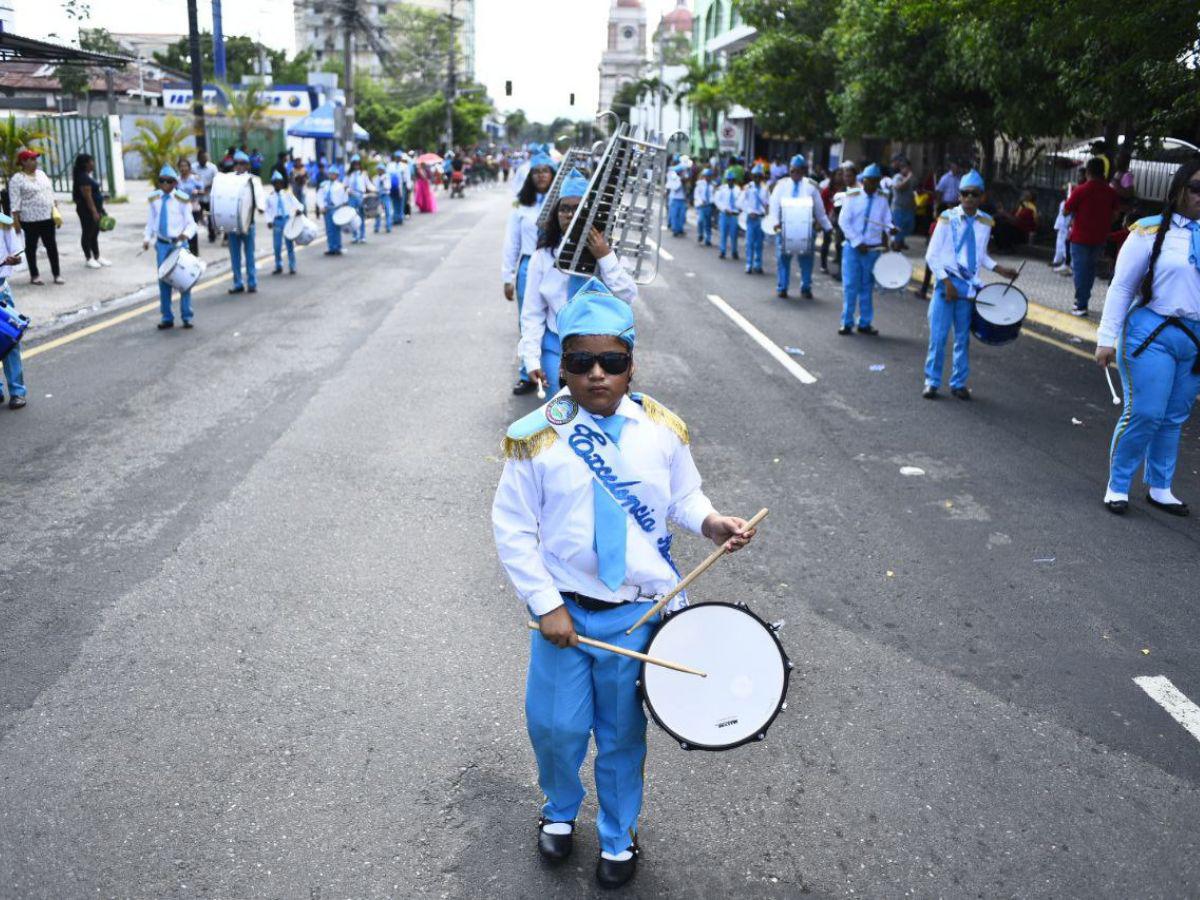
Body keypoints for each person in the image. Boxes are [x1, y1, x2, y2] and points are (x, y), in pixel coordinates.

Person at [493, 277, 757, 890]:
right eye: (580, 360)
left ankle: (618, 833)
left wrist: (712, 522)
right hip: (564, 616)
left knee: (621, 734)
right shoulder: (537, 436)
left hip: (639, 617)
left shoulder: (662, 430)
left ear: (632, 366)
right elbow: (512, 527)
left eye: (611, 361)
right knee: (555, 727)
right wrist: (544, 602)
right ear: (563, 366)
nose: (596, 375)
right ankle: (559, 811)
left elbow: (684, 496)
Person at [1095, 159, 1200, 517]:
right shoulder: (1148, 232)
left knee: (1173, 417)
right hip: (1150, 334)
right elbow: (1122, 287)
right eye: (1197, 187)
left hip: (1194, 340)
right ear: (1179, 190)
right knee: (1145, 412)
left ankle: (1160, 486)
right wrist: (1106, 338)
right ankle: (1118, 485)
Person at [519, 169, 636, 397]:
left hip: (604, 351)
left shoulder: (611, 252)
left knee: (600, 414)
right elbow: (532, 313)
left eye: (577, 208)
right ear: (556, 214)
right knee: (561, 413)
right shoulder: (543, 258)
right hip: (557, 347)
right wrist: (531, 358)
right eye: (564, 208)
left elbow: (628, 296)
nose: (570, 214)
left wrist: (604, 256)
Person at [922, 170, 1020, 400]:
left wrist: (1001, 270)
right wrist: (946, 283)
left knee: (962, 339)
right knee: (938, 337)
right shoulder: (946, 218)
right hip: (946, 286)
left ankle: (958, 382)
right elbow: (931, 256)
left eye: (974, 194)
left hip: (968, 288)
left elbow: (979, 256)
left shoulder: (986, 222)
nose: (969, 198)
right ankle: (932, 381)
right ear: (959, 196)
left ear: (982, 197)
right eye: (965, 194)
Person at [503, 151, 556, 396]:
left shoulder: (560, 203)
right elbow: (511, 242)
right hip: (527, 266)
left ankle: (558, 371)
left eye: (545, 170)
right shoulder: (521, 206)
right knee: (529, 320)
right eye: (536, 171)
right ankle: (527, 373)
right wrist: (507, 276)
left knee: (555, 321)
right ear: (530, 176)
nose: (541, 175)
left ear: (553, 174)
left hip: (556, 265)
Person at [837, 163, 894, 335]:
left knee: (867, 287)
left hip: (872, 250)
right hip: (853, 248)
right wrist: (857, 241)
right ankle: (846, 322)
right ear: (863, 181)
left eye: (876, 181)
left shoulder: (883, 198)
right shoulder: (853, 196)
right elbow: (843, 221)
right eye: (870, 181)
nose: (873, 185)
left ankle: (865, 323)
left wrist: (891, 230)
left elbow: (886, 220)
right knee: (850, 286)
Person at [142, 164, 198, 330]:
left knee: (183, 280)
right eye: (161, 181)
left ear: (175, 183)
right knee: (163, 281)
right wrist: (147, 239)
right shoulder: (154, 198)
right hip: (162, 245)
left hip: (179, 244)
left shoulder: (182, 198)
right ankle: (167, 317)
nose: (164, 184)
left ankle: (187, 316)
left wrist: (185, 235)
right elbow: (151, 221)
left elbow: (191, 224)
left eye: (168, 181)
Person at [1064, 157, 1121, 317]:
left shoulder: (1081, 190)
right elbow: (1116, 215)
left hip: (1080, 237)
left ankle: (1081, 303)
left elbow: (1066, 211)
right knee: (1089, 270)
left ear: (1088, 171)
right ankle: (1083, 301)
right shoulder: (1110, 192)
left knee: (1080, 270)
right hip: (1099, 237)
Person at [770, 153, 833, 299]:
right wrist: (775, 223)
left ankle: (806, 287)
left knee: (806, 260)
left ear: (804, 171)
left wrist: (827, 227)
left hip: (805, 229)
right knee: (783, 259)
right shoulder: (781, 185)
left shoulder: (811, 187)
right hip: (785, 228)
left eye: (798, 171)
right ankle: (782, 287)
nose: (795, 174)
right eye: (793, 170)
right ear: (789, 170)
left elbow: (820, 211)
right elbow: (773, 207)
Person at [9, 149, 63, 286]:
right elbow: (14, 203)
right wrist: (16, 223)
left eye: (35, 159)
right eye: (31, 159)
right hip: (29, 219)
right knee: (31, 247)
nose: (35, 162)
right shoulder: (17, 179)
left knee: (51, 246)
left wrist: (56, 212)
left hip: (47, 216)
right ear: (23, 162)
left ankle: (56, 274)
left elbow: (50, 193)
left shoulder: (42, 175)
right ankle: (35, 275)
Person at [226, 151, 265, 294]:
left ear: (247, 165)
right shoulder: (228, 180)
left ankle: (252, 282)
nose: (238, 166)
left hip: (249, 224)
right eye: (236, 163)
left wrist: (261, 207)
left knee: (249, 255)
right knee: (235, 256)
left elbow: (260, 197)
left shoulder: (254, 180)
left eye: (242, 163)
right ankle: (238, 283)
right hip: (232, 224)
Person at [0, 213, 28, 408]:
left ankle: (17, 391)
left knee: (9, 342)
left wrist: (12, 260)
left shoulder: (4, 224)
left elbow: (19, 255)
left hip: (1, 293)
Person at [71, 153, 110, 269]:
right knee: (88, 233)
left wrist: (100, 206)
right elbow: (87, 197)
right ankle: (88, 258)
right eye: (91, 161)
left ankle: (97, 256)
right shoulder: (83, 177)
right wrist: (94, 212)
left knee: (95, 233)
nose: (93, 163)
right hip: (86, 210)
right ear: (85, 164)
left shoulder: (86, 176)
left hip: (95, 209)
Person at [266, 170, 302, 275]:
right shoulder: (270, 197)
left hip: (287, 220)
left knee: (289, 244)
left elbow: (297, 204)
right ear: (273, 184)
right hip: (277, 222)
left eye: (279, 182)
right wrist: (269, 221)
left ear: (282, 183)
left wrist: (299, 209)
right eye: (275, 183)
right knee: (277, 246)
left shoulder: (287, 195)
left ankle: (292, 266)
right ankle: (278, 265)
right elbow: (267, 211)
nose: (278, 185)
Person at [742, 164, 769, 275]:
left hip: (760, 218)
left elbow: (768, 203)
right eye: (755, 176)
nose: (757, 178)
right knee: (749, 243)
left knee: (759, 243)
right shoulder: (748, 188)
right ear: (752, 177)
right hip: (751, 218)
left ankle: (758, 264)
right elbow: (741, 202)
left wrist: (767, 212)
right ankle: (749, 264)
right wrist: (749, 212)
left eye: (759, 176)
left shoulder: (765, 189)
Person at [317, 166, 348, 256]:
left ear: (337, 176)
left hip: (336, 208)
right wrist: (321, 206)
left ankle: (338, 247)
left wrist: (343, 207)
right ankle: (331, 247)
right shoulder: (324, 185)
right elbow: (319, 196)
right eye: (330, 174)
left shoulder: (340, 186)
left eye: (333, 174)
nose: (331, 176)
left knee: (336, 228)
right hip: (327, 209)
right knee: (329, 229)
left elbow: (344, 198)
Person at [176, 158, 204, 258]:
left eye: (185, 166)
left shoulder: (194, 178)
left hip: (193, 208)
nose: (183, 168)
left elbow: (203, 191)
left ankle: (194, 255)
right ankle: (184, 255)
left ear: (189, 167)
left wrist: (197, 192)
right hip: (181, 210)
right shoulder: (177, 180)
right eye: (181, 166)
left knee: (192, 232)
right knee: (182, 232)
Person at [714, 170, 741, 261]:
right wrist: (724, 209)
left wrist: (738, 210)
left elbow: (740, 201)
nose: (730, 182)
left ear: (734, 180)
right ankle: (722, 250)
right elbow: (717, 201)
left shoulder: (738, 190)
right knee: (723, 233)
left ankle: (734, 251)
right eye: (729, 180)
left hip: (734, 214)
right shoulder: (722, 189)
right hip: (724, 214)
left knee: (734, 234)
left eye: (732, 180)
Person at [193, 148, 219, 242]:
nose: (204, 160)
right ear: (198, 159)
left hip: (209, 197)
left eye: (206, 158)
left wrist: (209, 186)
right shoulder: (193, 167)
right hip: (197, 198)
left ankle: (212, 235)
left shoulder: (212, 168)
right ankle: (193, 238)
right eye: (202, 158)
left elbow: (217, 180)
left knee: (209, 216)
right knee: (196, 217)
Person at [890, 158, 916, 250]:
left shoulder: (909, 179)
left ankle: (900, 242)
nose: (908, 170)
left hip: (908, 208)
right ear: (902, 168)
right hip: (899, 208)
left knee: (908, 226)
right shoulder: (897, 177)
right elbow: (899, 187)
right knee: (899, 227)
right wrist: (908, 178)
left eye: (909, 168)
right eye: (906, 168)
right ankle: (896, 244)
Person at [344, 155, 370, 244]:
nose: (356, 165)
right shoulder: (349, 174)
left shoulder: (363, 173)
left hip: (361, 196)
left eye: (357, 164)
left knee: (362, 216)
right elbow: (345, 185)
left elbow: (368, 184)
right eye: (354, 164)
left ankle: (363, 236)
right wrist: (347, 190)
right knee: (353, 217)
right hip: (352, 197)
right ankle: (355, 236)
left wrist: (374, 190)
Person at [1051, 184, 1073, 275]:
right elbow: (1061, 215)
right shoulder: (1063, 203)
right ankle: (1058, 261)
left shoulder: (1071, 202)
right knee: (1060, 244)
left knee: (1066, 246)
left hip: (1068, 227)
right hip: (1062, 226)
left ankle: (1066, 264)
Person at [692, 168, 714, 247]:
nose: (708, 178)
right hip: (701, 205)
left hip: (709, 206)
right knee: (700, 221)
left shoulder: (713, 185)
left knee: (708, 223)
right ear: (704, 176)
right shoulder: (700, 184)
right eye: (706, 176)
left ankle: (708, 239)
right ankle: (700, 234)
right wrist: (701, 201)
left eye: (709, 176)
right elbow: (696, 194)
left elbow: (714, 196)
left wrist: (711, 201)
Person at [665, 163, 688, 237]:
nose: (683, 173)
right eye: (682, 171)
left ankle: (680, 229)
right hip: (675, 199)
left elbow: (686, 190)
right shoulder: (674, 179)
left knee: (681, 216)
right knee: (674, 215)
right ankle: (675, 230)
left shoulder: (683, 179)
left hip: (682, 200)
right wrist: (681, 181)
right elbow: (675, 188)